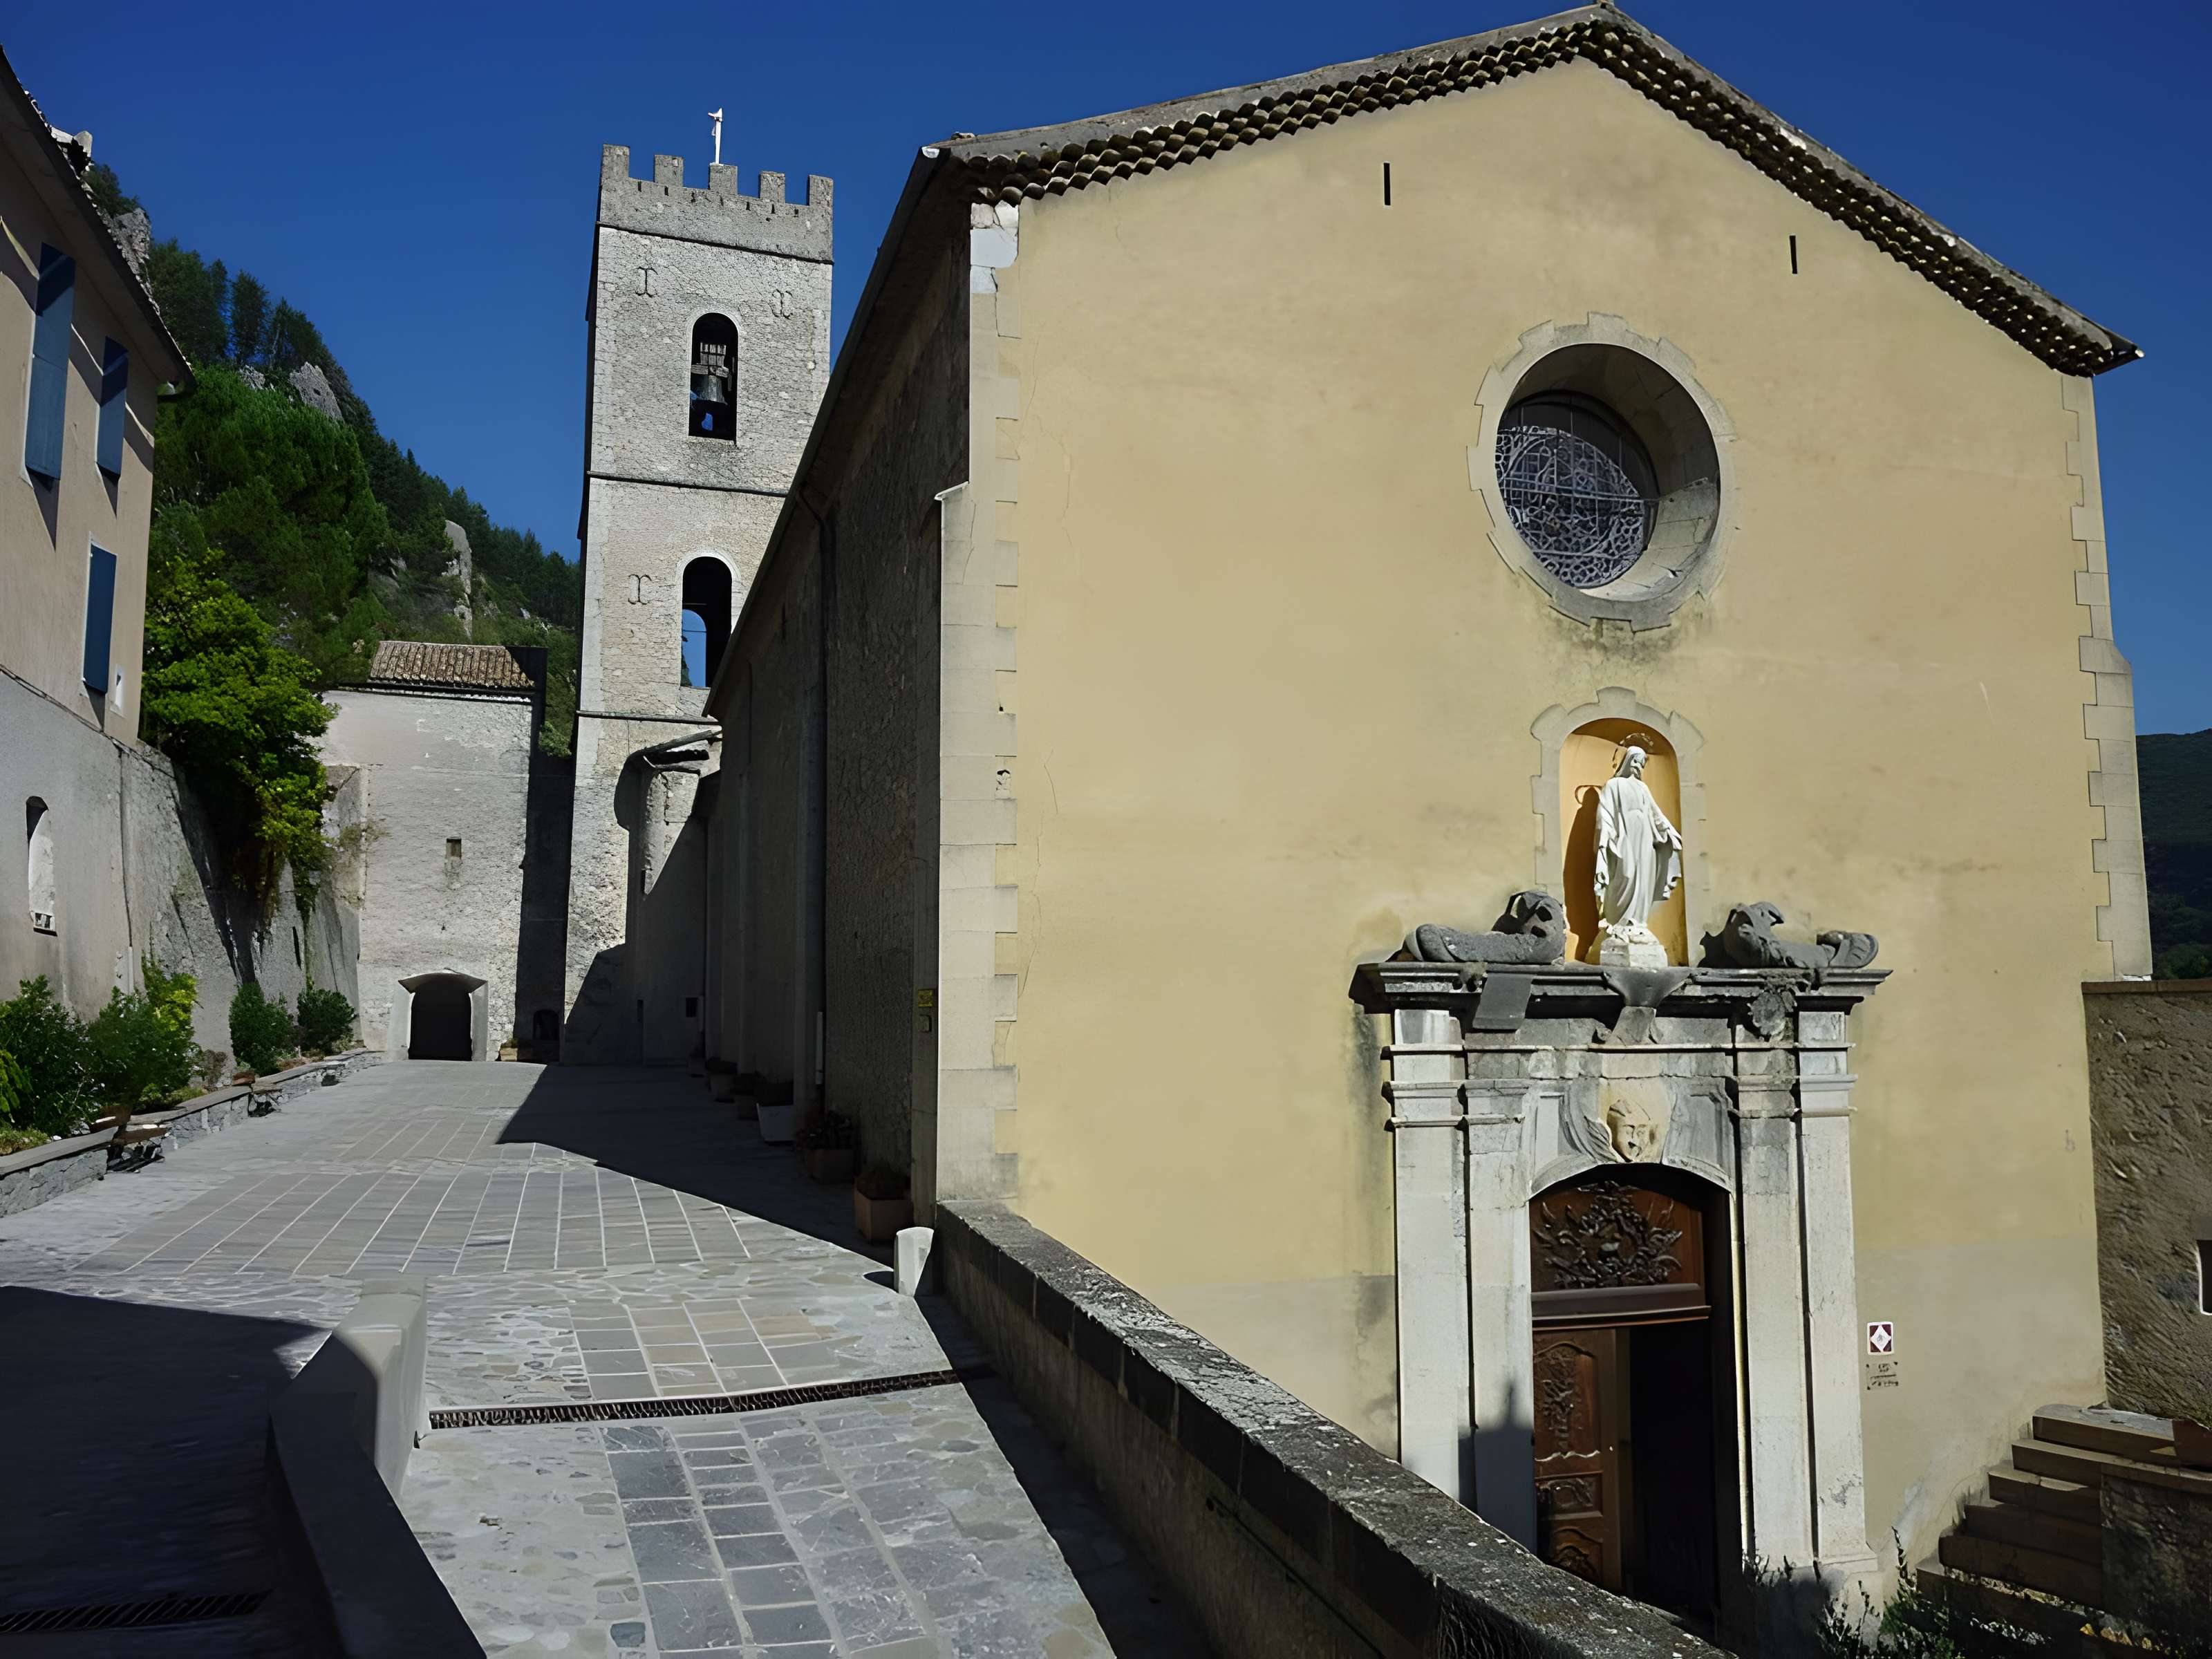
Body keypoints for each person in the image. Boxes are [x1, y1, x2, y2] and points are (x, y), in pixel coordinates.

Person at [1593, 745, 1681, 964]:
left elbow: (1655, 813)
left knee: (1643, 881)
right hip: (1623, 838)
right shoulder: (1614, 785)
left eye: (1641, 761)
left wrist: (1668, 830)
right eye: (1634, 760)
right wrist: (1605, 838)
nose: (1637, 765)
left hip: (1645, 839)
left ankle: (1637, 923)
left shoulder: (1642, 788)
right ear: (1627, 761)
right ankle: (1618, 924)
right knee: (1626, 875)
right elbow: (1605, 812)